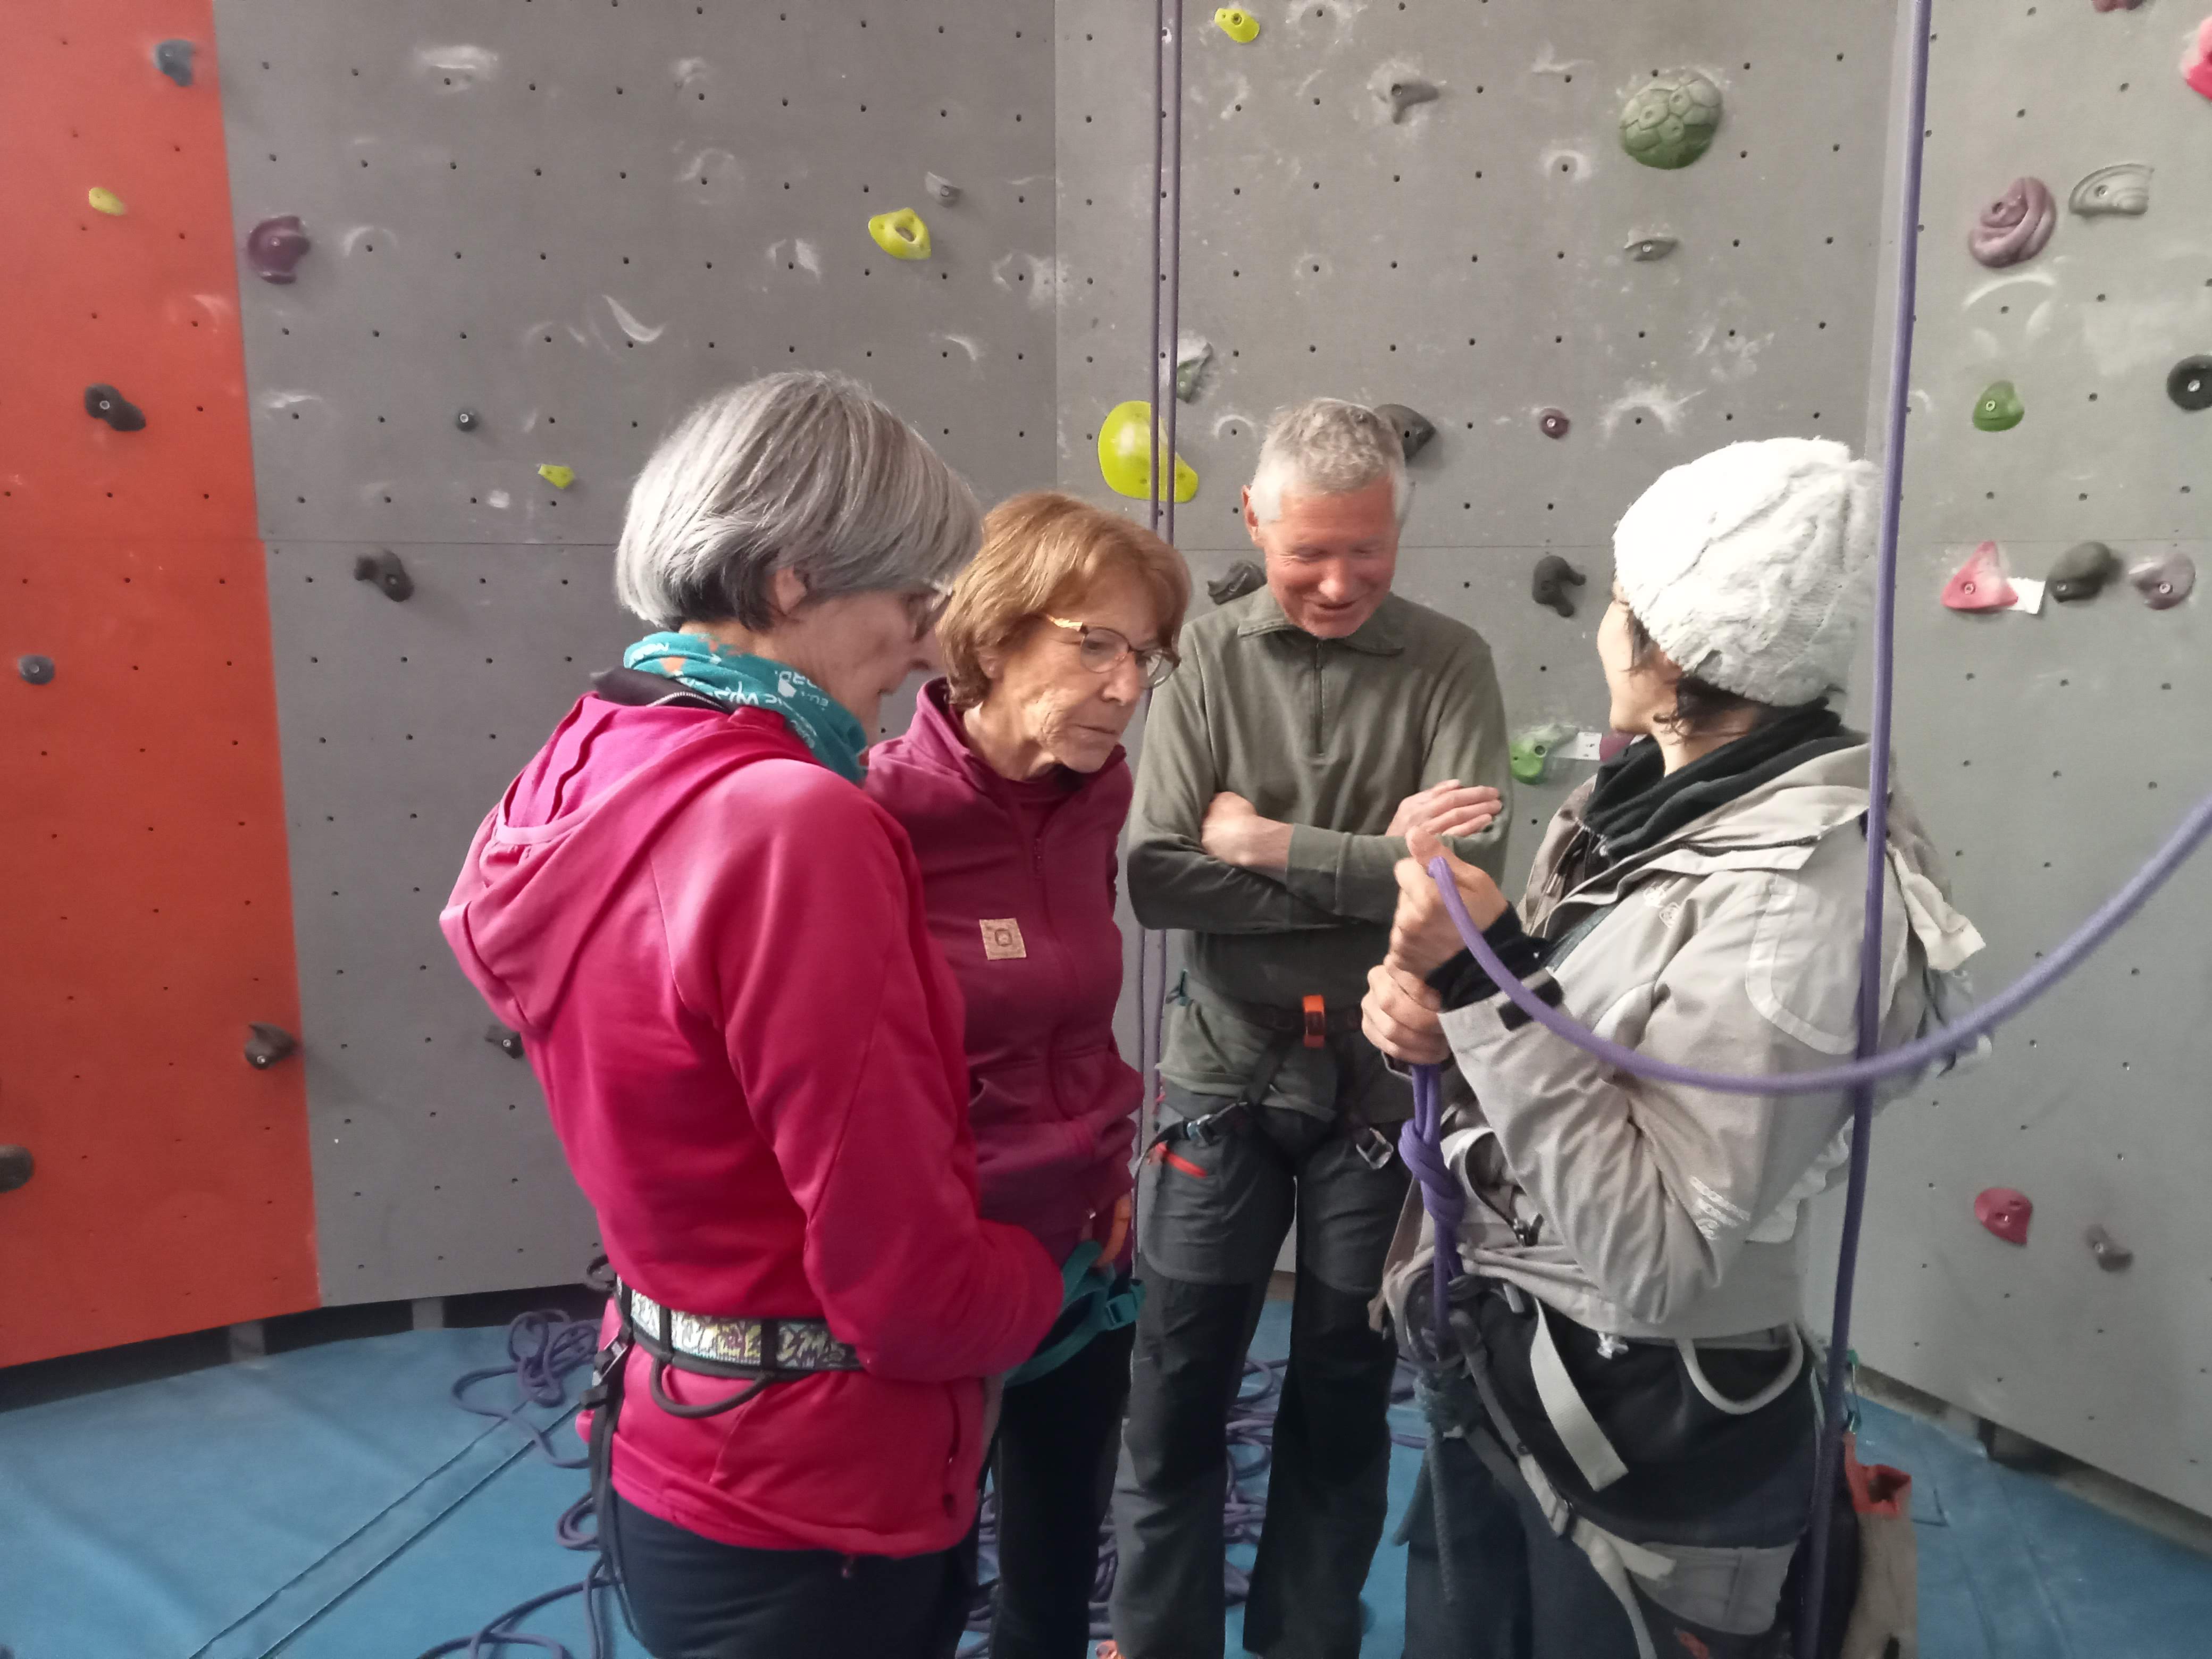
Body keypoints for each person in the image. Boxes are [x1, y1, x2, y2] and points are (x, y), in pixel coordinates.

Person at [440, 371, 1063, 1659]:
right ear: (793, 582)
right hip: (818, 1492)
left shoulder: (585, 760)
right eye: (914, 604)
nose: (929, 648)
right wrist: (1047, 1275)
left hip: (670, 1428)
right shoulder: (797, 824)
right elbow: (909, 1295)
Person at [1362, 438, 1985, 1658]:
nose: (1603, 628)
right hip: (1509, 1361)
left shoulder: (1801, 903)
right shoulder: (1640, 804)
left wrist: (1485, 988)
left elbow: (1657, 1263)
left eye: (1619, 604)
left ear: (1674, 653)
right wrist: (1437, 1029)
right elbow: (1560, 1049)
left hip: (1646, 1431)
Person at [1110, 399, 1513, 1659]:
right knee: (1175, 1388)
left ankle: (1307, 1643)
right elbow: (1157, 878)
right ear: (1252, 521)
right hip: (1221, 1075)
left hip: (1379, 1090)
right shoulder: (1202, 660)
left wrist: (1264, 841)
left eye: (1367, 551)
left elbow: (1465, 889)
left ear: (1399, 529)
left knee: (1344, 1394)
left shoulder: (1449, 662)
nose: (1337, 583)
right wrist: (1377, 860)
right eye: (1306, 554)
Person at [865, 490, 1192, 1659]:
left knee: (1054, 1573)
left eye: (1142, 655)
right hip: (942, 1263)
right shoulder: (872, 810)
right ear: (995, 636)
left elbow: (1069, 1022)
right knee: (919, 1583)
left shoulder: (1094, 795)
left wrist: (1105, 1166)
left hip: (1081, 1247)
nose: (1126, 686)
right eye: (1094, 643)